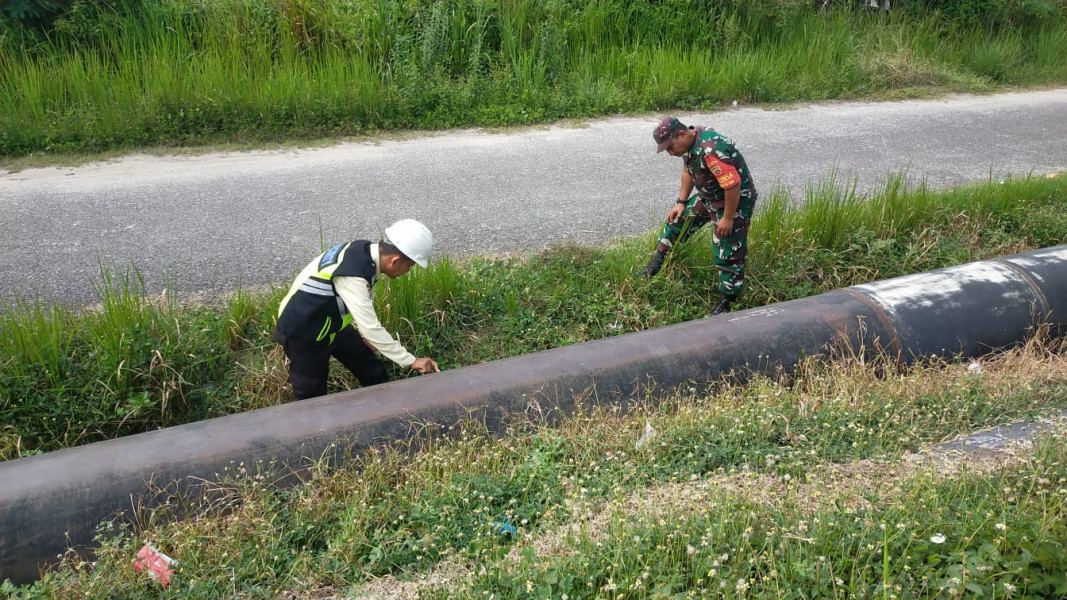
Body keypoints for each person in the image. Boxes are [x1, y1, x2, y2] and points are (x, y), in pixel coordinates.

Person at [274, 219, 440, 400]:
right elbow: (370, 326)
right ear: (394, 261)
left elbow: (353, 303)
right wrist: (412, 361)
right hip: (303, 332)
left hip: (332, 325)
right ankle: (314, 425)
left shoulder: (364, 252)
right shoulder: (353, 275)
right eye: (409, 266)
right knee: (312, 394)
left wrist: (368, 338)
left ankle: (387, 408)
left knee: (371, 367)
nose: (407, 271)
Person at [643, 117, 758, 316]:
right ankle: (657, 263)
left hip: (733, 201)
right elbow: (688, 169)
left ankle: (728, 300)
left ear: (682, 134)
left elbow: (732, 185)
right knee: (678, 220)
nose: (670, 153)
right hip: (709, 196)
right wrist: (680, 202)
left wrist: (728, 218)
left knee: (727, 247)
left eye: (670, 147)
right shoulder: (688, 145)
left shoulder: (711, 149)